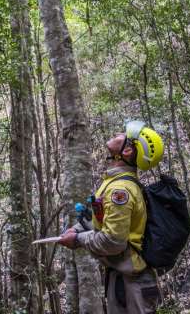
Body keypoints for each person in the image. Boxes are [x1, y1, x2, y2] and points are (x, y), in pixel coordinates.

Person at [58, 120, 164, 314]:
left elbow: (113, 241)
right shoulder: (116, 182)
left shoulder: (120, 190)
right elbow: (103, 221)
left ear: (126, 151)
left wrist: (78, 239)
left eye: (124, 136)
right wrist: (79, 228)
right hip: (124, 281)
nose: (118, 134)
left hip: (133, 285)